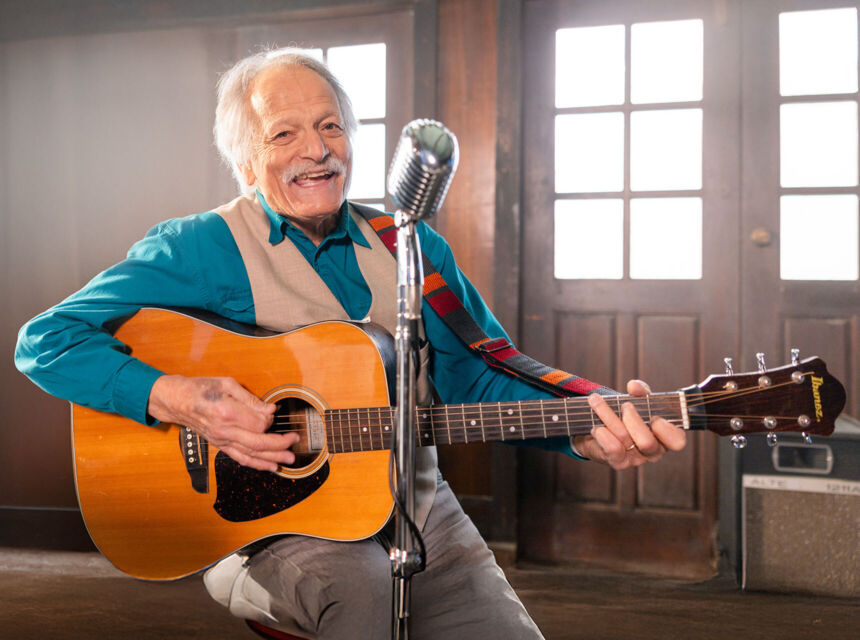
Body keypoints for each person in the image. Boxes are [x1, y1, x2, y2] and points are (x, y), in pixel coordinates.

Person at [15, 48, 686, 639]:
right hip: (267, 528)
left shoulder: (411, 244)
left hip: (418, 511)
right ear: (245, 160)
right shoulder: (199, 247)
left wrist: (584, 428)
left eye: (331, 126)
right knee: (360, 589)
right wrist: (179, 398)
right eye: (286, 133)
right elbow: (45, 341)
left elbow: (476, 379)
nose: (318, 149)